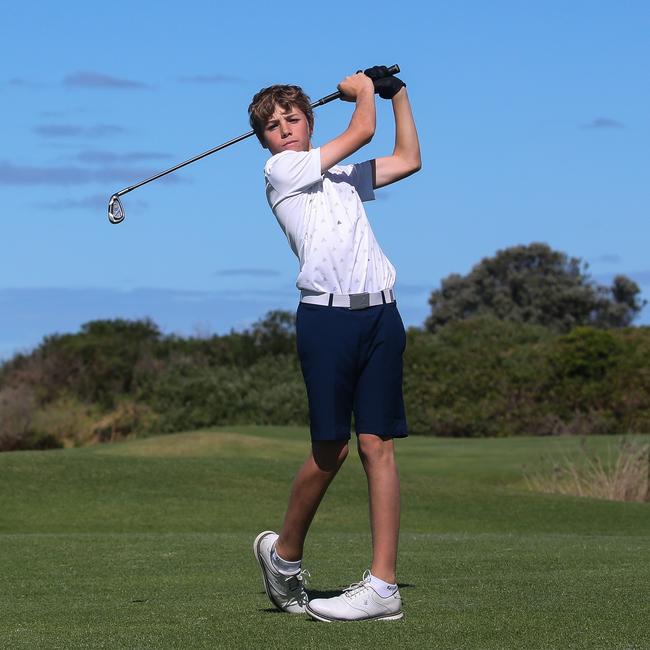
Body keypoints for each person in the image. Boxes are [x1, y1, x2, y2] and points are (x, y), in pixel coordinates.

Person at [248, 66, 421, 622]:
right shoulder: (282, 172)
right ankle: (284, 554)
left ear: (309, 119)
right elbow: (362, 130)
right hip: (325, 323)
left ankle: (383, 587)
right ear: (266, 142)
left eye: (292, 119)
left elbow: (407, 159)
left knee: (378, 446)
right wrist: (363, 92)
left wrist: (398, 96)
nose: (285, 130)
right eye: (274, 126)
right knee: (332, 450)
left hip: (380, 315)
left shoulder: (342, 175)